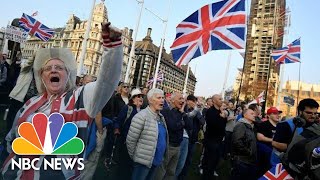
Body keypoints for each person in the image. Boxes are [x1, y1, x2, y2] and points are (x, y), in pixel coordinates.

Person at [1, 22, 123, 179]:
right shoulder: (29, 104)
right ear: (42, 77)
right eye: (47, 68)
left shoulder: (81, 98)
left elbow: (106, 82)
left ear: (68, 75)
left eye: (59, 67)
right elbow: (12, 138)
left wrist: (112, 48)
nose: (53, 70)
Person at [126, 88, 168, 180]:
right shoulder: (141, 117)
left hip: (156, 161)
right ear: (150, 100)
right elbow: (130, 141)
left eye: (163, 98)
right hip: (142, 163)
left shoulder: (161, 117)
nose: (162, 100)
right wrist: (137, 158)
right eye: (158, 98)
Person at [154, 92, 192, 180]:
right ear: (173, 100)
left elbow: (190, 126)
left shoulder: (181, 112)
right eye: (180, 99)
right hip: (168, 145)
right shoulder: (165, 111)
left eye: (183, 99)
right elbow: (172, 126)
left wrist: (183, 114)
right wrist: (182, 123)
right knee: (161, 170)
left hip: (178, 146)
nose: (183, 101)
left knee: (171, 171)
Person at [271, 98, 319, 166]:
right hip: (282, 166)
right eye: (309, 113)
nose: (313, 116)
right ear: (300, 111)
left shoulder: (316, 126)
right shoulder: (285, 124)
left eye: (315, 113)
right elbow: (275, 143)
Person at [112, 88, 144, 179]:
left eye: (141, 96)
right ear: (133, 99)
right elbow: (119, 120)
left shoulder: (143, 110)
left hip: (137, 143)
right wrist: (117, 129)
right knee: (123, 164)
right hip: (125, 141)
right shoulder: (128, 108)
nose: (140, 98)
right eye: (138, 96)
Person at [178, 95, 205, 180]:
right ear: (188, 101)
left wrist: (198, 112)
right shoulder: (184, 109)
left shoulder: (197, 111)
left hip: (193, 139)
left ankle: (183, 176)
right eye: (193, 102)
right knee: (180, 160)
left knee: (188, 160)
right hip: (184, 138)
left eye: (195, 102)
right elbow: (187, 117)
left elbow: (203, 122)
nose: (194, 104)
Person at [202, 94, 227, 179]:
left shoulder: (220, 111)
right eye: (220, 99)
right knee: (209, 162)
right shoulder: (210, 111)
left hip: (219, 141)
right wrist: (221, 117)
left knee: (215, 162)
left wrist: (223, 116)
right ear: (214, 101)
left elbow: (223, 125)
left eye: (222, 99)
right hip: (211, 141)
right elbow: (214, 125)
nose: (222, 100)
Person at [231, 109, 258, 180]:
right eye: (252, 114)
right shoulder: (241, 125)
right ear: (245, 115)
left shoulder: (250, 126)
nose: (254, 115)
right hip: (242, 161)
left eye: (254, 113)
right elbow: (237, 142)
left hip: (248, 160)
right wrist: (248, 152)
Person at [255, 107, 282, 176]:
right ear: (268, 115)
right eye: (275, 113)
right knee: (263, 172)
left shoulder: (280, 126)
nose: (278, 115)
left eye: (278, 114)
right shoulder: (263, 124)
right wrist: (274, 141)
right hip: (264, 154)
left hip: (277, 154)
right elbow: (260, 137)